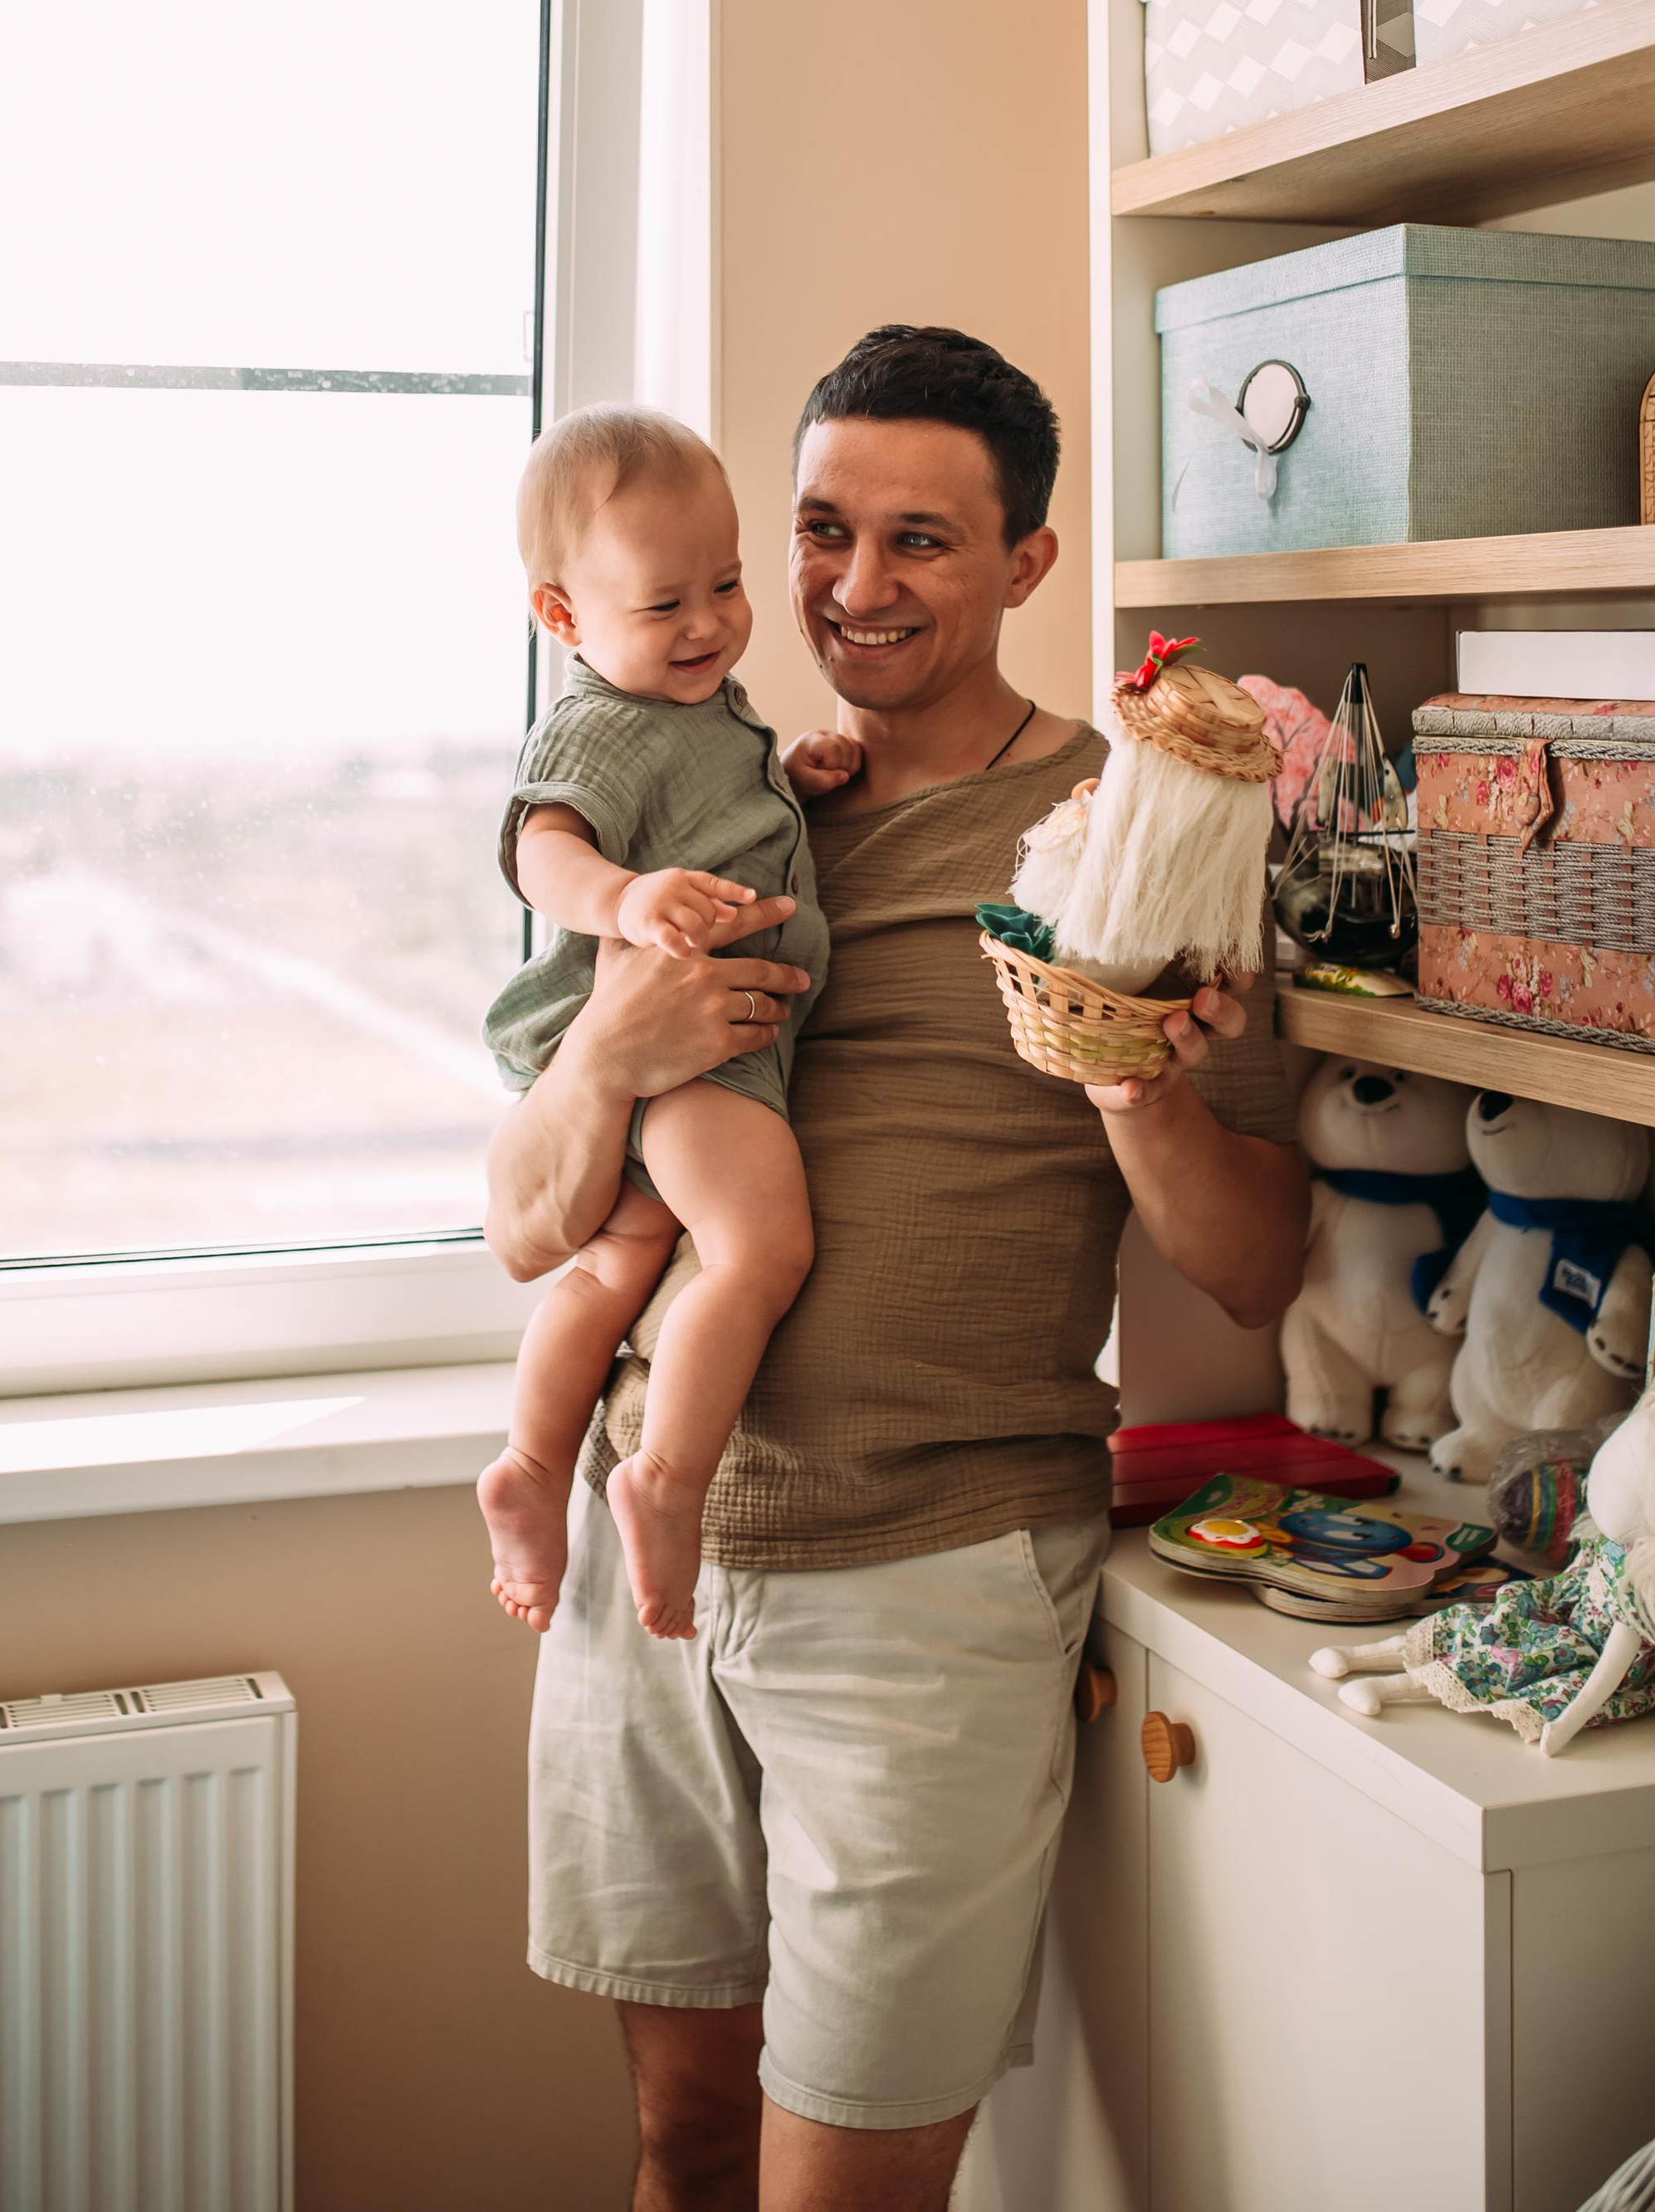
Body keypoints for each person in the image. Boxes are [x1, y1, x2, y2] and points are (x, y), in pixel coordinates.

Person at [486, 326, 1309, 2212]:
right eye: (821, 531)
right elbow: (529, 1225)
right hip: (648, 1560)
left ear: (1026, 560)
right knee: (676, 2143)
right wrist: (610, 1050)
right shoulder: (724, 805)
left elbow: (1253, 1268)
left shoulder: (1137, 839)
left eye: (921, 541)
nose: (853, 588)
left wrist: (1124, 1076)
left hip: (925, 1580)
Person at [476, 408, 841, 1640]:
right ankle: (669, 1477)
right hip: (697, 1057)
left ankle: (531, 1465)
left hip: (663, 1063)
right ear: (565, 617)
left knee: (617, 1262)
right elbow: (541, 848)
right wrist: (624, 900)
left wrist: (798, 781)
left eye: (729, 585)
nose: (708, 624)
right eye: (664, 603)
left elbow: (714, 814)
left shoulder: (695, 710)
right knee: (757, 1252)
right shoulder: (601, 722)